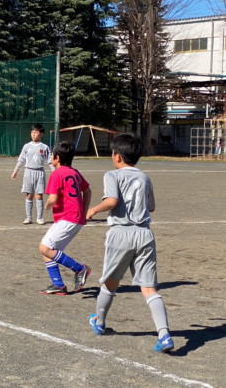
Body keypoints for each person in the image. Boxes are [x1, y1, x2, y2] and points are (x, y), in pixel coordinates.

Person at [86, 133, 173, 353]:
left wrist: (94, 209)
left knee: (110, 283)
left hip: (121, 233)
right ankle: (164, 334)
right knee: (149, 288)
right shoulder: (145, 178)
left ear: (117, 156)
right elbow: (151, 207)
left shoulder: (112, 175)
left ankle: (100, 321)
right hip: (144, 234)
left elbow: (112, 200)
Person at [38, 141, 92, 295]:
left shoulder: (57, 174)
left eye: (52, 157)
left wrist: (47, 205)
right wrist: (84, 211)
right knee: (48, 250)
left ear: (57, 158)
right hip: (74, 218)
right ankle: (59, 285)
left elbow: (53, 198)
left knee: (45, 248)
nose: (51, 159)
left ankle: (80, 269)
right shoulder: (75, 172)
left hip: (67, 218)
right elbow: (87, 191)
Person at [11, 123, 53, 224]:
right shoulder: (26, 146)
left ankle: (39, 217)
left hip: (40, 173)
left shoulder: (45, 147)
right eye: (32, 132)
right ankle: (28, 217)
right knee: (29, 195)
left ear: (41, 134)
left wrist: (55, 172)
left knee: (39, 195)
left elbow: (50, 161)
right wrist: (15, 171)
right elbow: (21, 159)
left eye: (36, 132)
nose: (33, 134)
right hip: (28, 172)